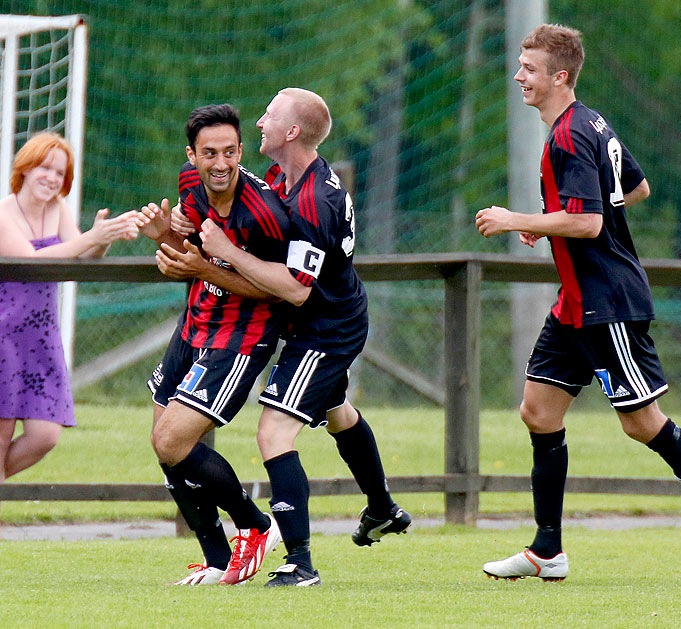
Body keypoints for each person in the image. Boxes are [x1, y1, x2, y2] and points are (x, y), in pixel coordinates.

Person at [474, 24, 681, 584]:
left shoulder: (568, 135)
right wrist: (554, 225)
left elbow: (588, 221)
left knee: (641, 423)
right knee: (538, 410)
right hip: (576, 304)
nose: (518, 77)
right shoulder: (591, 122)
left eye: (529, 69)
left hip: (609, 301)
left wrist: (522, 220)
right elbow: (636, 187)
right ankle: (547, 550)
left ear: (560, 76)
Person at [184, 88, 411, 587]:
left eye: (269, 115)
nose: (259, 121)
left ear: (291, 132)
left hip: (324, 327)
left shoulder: (314, 199)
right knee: (338, 413)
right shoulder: (281, 177)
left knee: (273, 433)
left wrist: (224, 251)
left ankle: (300, 563)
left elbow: (295, 289)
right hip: (319, 318)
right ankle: (383, 508)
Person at [139, 104, 289, 586]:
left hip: (241, 336)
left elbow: (279, 288)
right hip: (194, 325)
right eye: (209, 153)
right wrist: (165, 240)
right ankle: (219, 561)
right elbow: (189, 257)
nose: (220, 163)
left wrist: (204, 268)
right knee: (164, 444)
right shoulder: (188, 185)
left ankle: (255, 524)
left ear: (241, 151)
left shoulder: (265, 213)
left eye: (229, 152)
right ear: (193, 155)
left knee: (173, 439)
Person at [0, 132, 139, 487]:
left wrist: (102, 238)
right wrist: (89, 239)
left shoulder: (58, 210)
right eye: (44, 167)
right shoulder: (3, 214)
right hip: (4, 338)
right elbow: (30, 263)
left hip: (41, 338)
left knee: (45, 436)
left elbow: (80, 254)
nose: (51, 177)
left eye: (59, 173)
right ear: (26, 168)